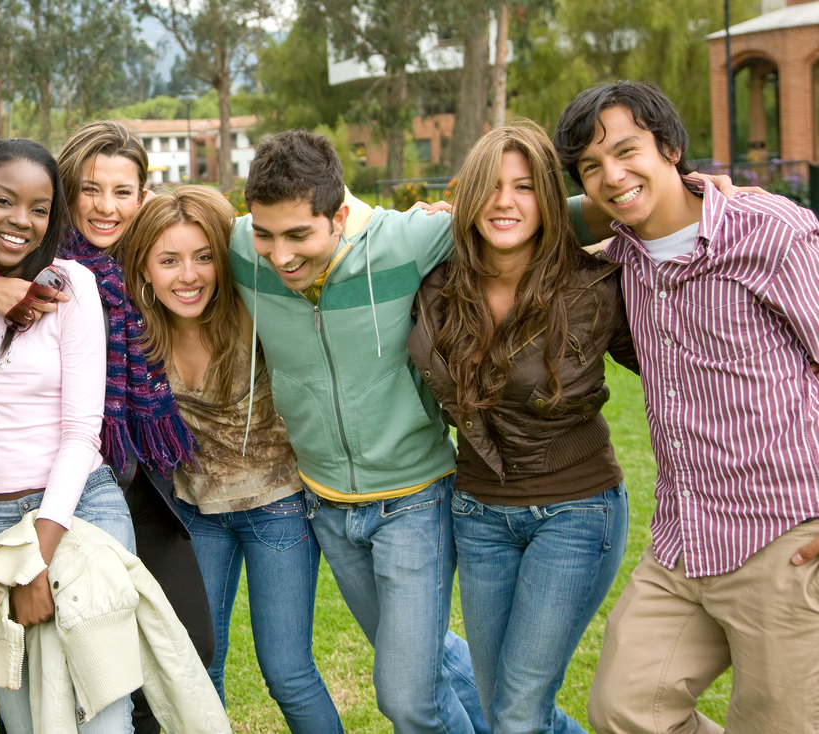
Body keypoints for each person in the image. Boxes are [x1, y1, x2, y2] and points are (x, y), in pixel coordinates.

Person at [553, 80, 819, 734]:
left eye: (627, 151)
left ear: (670, 147)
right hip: (681, 542)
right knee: (621, 711)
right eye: (592, 166)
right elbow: (524, 221)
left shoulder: (769, 232)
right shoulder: (621, 260)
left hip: (784, 537)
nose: (613, 176)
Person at [0, 121, 213, 733]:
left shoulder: (140, 260)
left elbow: (234, 239)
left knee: (161, 658)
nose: (106, 206)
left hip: (122, 480)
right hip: (20, 495)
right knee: (35, 694)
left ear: (144, 196)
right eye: (90, 189)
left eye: (123, 191)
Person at [229, 129, 487, 734]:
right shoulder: (241, 245)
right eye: (264, 234)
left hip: (415, 501)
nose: (279, 255)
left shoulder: (406, 240)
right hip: (328, 508)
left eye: (299, 235)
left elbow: (539, 218)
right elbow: (148, 227)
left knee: (406, 697)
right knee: (431, 660)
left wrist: (685, 196)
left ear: (340, 213)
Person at [408, 121, 637, 734]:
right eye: (490, 186)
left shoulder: (596, 286)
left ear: (550, 199)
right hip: (478, 515)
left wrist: (706, 197)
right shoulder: (435, 284)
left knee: (515, 714)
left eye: (526, 187)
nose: (505, 202)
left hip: (576, 510)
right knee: (503, 708)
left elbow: (685, 371)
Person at [116, 185, 344, 734]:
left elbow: (318, 232)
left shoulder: (257, 310)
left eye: (203, 257)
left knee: (288, 671)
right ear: (144, 267)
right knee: (197, 668)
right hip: (196, 512)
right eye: (169, 260)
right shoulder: (137, 332)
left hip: (278, 506)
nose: (188, 275)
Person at [0, 138, 135, 734]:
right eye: (3, 200)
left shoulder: (70, 286)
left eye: (40, 208)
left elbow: (81, 435)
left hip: (79, 508)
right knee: (22, 720)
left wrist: (33, 564)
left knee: (103, 712)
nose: (21, 220)